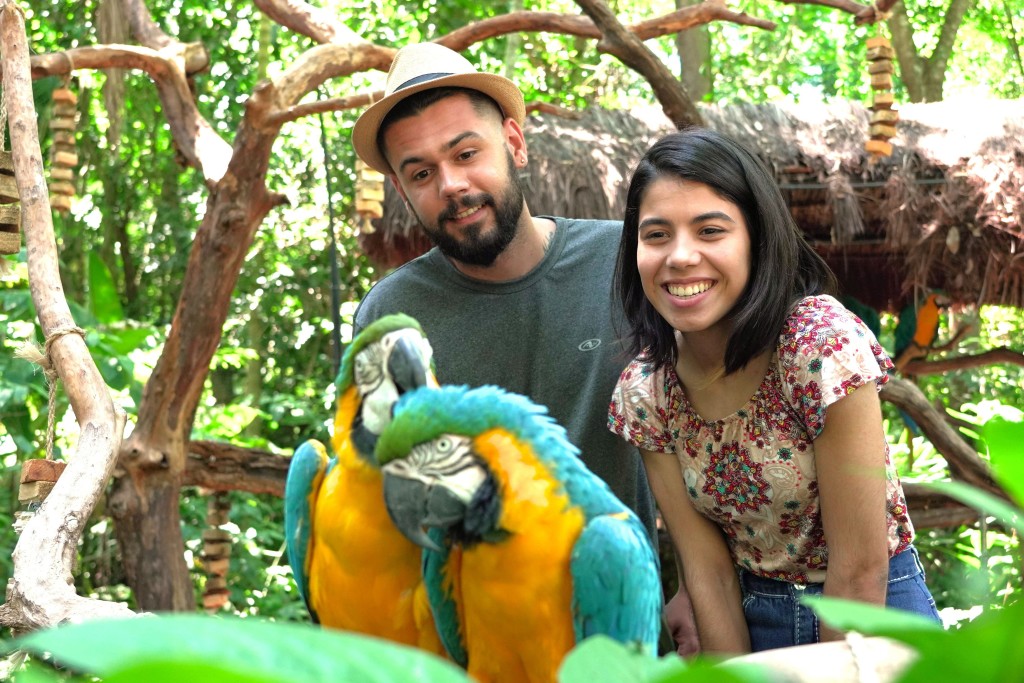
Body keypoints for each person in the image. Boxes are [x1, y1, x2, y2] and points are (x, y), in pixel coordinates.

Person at [350, 42, 698, 653]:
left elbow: (718, 422)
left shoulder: (629, 262)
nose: (452, 186)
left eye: (466, 153)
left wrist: (699, 587)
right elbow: (388, 501)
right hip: (476, 648)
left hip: (622, 633)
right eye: (421, 172)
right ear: (402, 190)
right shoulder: (391, 319)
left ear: (514, 141)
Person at [608, 128, 941, 655]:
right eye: (656, 236)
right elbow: (706, 572)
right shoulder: (647, 393)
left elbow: (859, 570)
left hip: (874, 609)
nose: (680, 256)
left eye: (711, 230)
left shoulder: (818, 346)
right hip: (747, 615)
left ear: (757, 241)